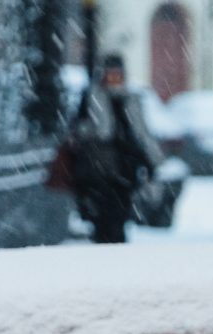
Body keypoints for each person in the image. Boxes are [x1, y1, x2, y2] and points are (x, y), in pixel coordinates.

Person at [67, 56, 157, 244]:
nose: (114, 79)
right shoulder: (92, 97)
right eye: (111, 74)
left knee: (120, 215)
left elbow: (141, 133)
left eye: (118, 75)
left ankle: (114, 250)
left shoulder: (130, 100)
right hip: (99, 169)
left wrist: (151, 160)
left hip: (125, 168)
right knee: (103, 217)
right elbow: (78, 130)